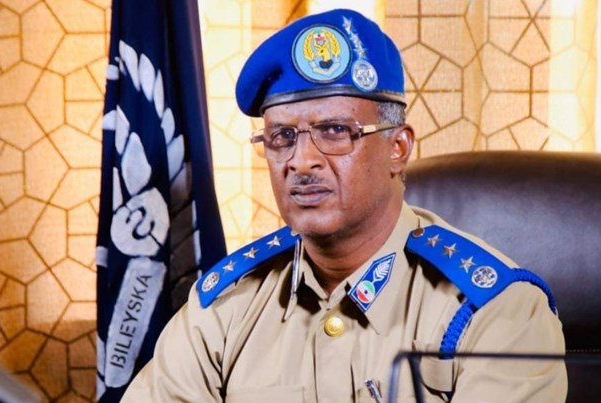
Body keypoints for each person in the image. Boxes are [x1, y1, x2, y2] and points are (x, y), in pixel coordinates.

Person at [122, 8, 566, 402]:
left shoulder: (495, 312)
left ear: (397, 148)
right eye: (282, 137)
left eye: (335, 131)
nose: (301, 161)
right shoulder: (224, 309)